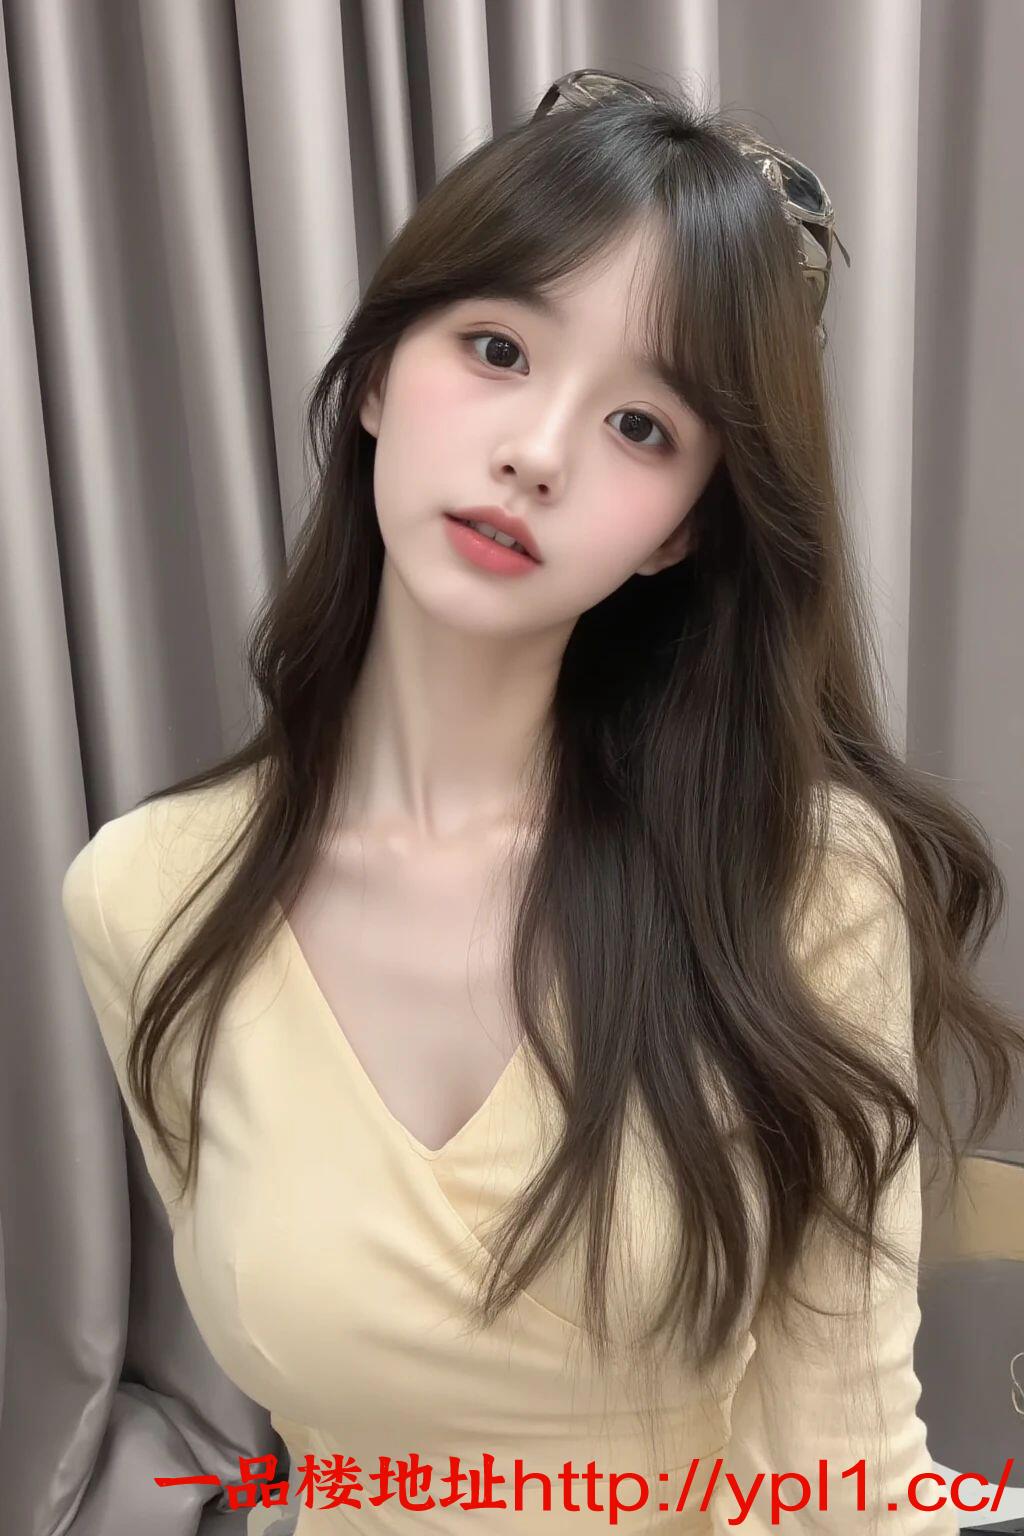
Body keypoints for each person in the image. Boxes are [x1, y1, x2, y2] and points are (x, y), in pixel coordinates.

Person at [61, 70, 1023, 1533]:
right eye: (498, 349)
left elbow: (849, 1476)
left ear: (680, 532)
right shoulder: (146, 892)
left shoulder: (797, 875)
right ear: (377, 374)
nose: (538, 452)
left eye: (643, 426)